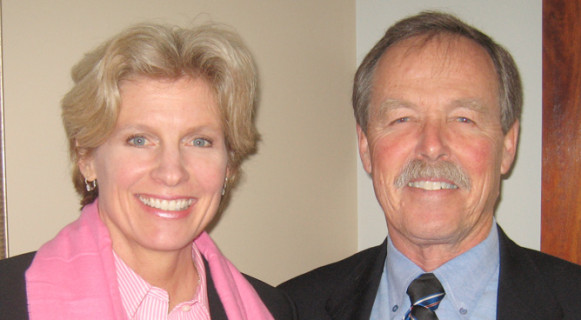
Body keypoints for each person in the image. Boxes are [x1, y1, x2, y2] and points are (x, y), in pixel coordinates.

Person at [279, 11, 581, 320]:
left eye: (463, 118)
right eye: (402, 119)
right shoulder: (288, 309)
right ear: (366, 146)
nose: (432, 146)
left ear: (507, 145)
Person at [0, 22, 296, 320]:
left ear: (229, 165)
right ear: (86, 157)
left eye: (199, 141)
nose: (172, 173)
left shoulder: (274, 309)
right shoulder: (7, 299)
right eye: (139, 140)